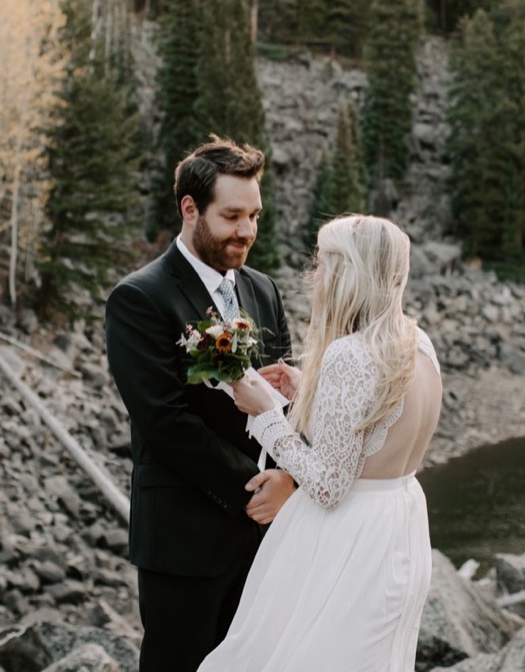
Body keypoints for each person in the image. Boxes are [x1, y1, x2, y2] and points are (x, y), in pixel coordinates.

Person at [198, 214, 443, 672]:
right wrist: (307, 385)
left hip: (351, 538)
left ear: (352, 272)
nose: (317, 275)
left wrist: (266, 416)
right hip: (402, 523)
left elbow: (329, 484)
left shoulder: (349, 354)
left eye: (326, 262)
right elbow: (375, 426)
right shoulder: (416, 342)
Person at [105, 136, 296, 672]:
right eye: (232, 215)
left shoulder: (264, 290)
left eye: (255, 215)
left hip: (266, 533)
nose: (247, 231)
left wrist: (287, 478)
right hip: (186, 538)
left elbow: (282, 397)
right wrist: (254, 490)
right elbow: (164, 421)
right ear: (190, 209)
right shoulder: (140, 298)